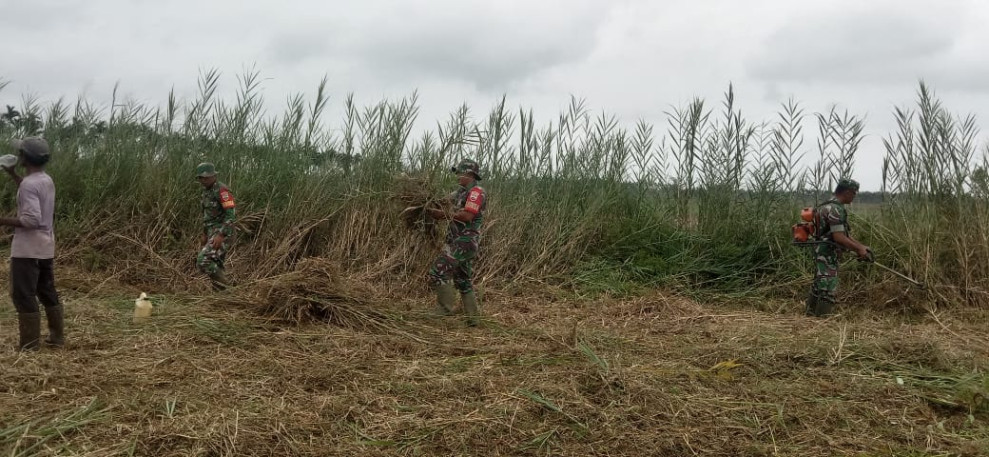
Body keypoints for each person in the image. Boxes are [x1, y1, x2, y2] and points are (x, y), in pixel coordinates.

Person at [1, 137, 63, 350]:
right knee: (46, 290)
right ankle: (57, 338)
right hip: (45, 247)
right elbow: (30, 193)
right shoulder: (45, 179)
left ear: (25, 158)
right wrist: (13, 174)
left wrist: (1, 220)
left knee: (23, 294)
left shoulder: (30, 184)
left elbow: (31, 220)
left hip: (27, 250)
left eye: (20, 153)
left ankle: (29, 345)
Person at [427, 159, 487, 326]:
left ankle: (444, 310)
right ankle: (474, 320)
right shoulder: (459, 192)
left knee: (437, 271)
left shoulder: (476, 192)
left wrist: (443, 214)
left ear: (469, 174)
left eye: (460, 172)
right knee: (462, 280)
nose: (457, 176)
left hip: (465, 241)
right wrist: (425, 204)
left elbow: (467, 216)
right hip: (456, 240)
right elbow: (442, 202)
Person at [807, 178, 873, 317]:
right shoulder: (836, 210)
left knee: (819, 284)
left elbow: (843, 235)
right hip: (827, 253)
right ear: (847, 192)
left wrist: (861, 247)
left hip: (821, 251)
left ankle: (810, 317)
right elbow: (839, 238)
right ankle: (820, 321)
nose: (854, 196)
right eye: (854, 193)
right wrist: (858, 250)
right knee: (827, 288)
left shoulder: (828, 205)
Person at [195, 162, 236, 290]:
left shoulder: (222, 190)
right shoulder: (205, 192)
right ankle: (220, 295)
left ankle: (227, 290)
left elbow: (231, 213)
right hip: (211, 232)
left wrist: (220, 235)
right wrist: (204, 233)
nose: (204, 180)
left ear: (214, 176)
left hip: (223, 233)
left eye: (207, 177)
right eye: (201, 178)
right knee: (216, 263)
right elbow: (207, 215)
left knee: (203, 261)